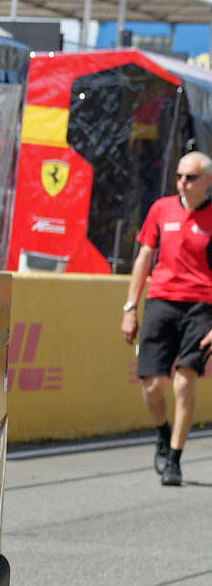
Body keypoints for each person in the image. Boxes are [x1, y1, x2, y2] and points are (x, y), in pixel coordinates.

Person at [120, 150, 212, 487]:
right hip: (160, 302)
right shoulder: (161, 209)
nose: (183, 183)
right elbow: (144, 259)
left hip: (201, 307)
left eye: (190, 177)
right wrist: (131, 309)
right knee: (153, 385)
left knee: (184, 385)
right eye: (179, 176)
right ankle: (163, 433)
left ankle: (174, 459)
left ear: (207, 181)